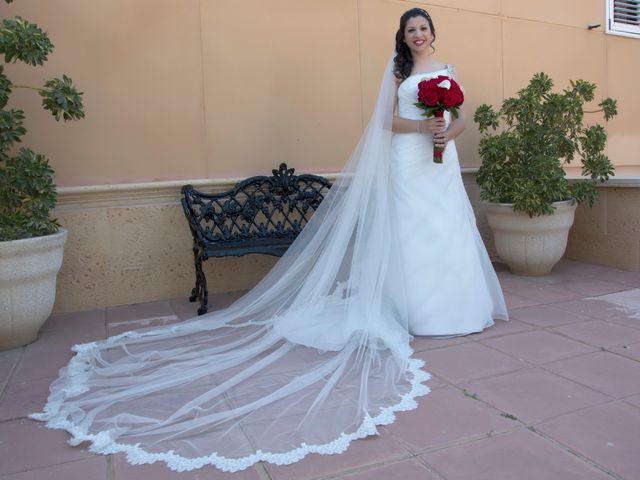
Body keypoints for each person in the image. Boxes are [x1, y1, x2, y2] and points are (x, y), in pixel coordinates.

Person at [31, 8, 507, 473]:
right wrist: (423, 126)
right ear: (402, 37)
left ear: (432, 32)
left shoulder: (446, 71)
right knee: (409, 232)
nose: (418, 34)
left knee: (444, 227)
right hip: (407, 159)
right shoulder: (399, 74)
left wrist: (446, 131)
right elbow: (385, 123)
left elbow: (459, 116)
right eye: (411, 30)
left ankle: (451, 307)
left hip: (437, 163)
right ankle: (411, 309)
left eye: (424, 28)